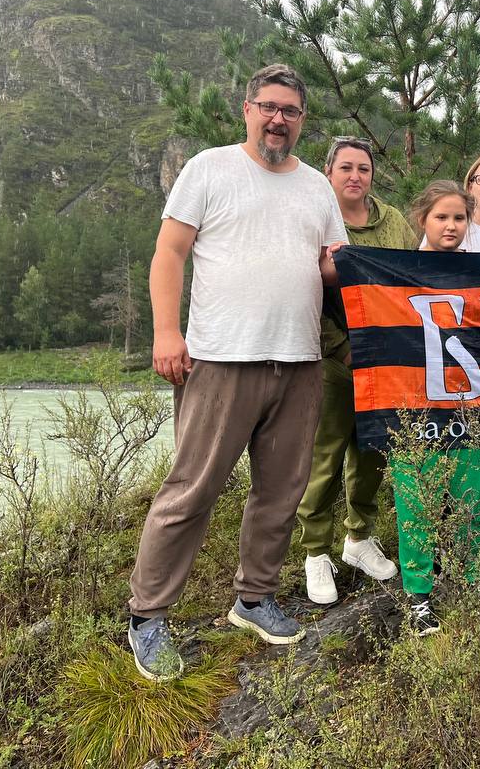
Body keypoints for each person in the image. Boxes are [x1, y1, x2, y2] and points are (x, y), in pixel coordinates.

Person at [126, 63, 348, 682]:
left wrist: (352, 268)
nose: (278, 119)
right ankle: (147, 615)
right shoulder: (210, 168)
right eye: (268, 107)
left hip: (298, 360)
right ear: (247, 109)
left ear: (302, 120)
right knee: (192, 489)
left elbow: (326, 267)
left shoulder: (317, 188)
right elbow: (169, 252)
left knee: (281, 491)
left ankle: (254, 598)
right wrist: (166, 332)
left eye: (290, 111)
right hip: (221, 357)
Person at [297, 138, 415, 605]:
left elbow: (411, 280)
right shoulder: (314, 218)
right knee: (325, 456)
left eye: (363, 168)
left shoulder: (394, 221)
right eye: (345, 167)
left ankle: (359, 537)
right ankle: (315, 550)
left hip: (386, 361)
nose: (354, 176)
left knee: (373, 453)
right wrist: (343, 348)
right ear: (328, 173)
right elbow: (304, 290)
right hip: (334, 361)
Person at [392, 180, 480, 636]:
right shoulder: (395, 272)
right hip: (415, 406)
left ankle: (476, 580)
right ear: (423, 220)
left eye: (459, 217)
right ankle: (419, 595)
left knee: (476, 496)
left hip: (472, 404)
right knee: (416, 500)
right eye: (441, 217)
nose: (451, 225)